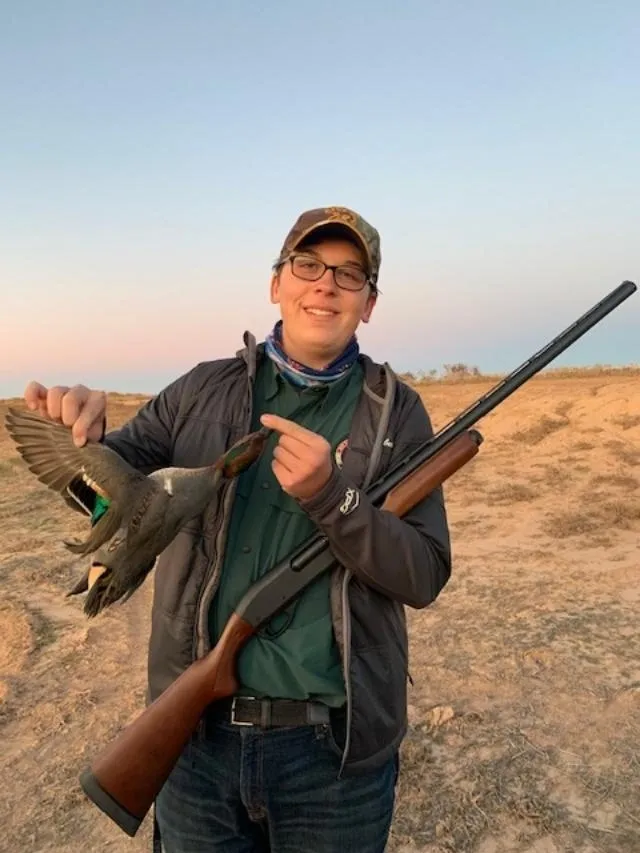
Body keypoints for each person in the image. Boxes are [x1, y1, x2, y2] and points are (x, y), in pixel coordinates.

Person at [24, 205, 452, 853]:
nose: (325, 284)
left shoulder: (395, 412)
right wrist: (80, 437)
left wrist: (332, 499)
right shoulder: (200, 390)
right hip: (195, 741)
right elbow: (106, 502)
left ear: (369, 303)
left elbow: (421, 573)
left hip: (330, 758)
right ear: (276, 283)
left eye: (349, 274)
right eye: (307, 264)